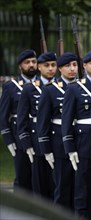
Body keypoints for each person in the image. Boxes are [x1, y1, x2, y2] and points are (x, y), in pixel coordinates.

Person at [61, 50, 91, 220]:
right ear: (84, 66)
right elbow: (67, 121)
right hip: (84, 146)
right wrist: (70, 148)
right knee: (83, 191)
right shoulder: (75, 88)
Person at [37, 52, 77, 210]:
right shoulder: (50, 90)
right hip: (59, 144)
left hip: (79, 141)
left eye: (74, 65)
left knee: (79, 186)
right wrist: (46, 149)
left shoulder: (82, 87)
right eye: (68, 66)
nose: (72, 69)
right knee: (62, 186)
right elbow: (43, 122)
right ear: (60, 69)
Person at [17, 51, 56, 199]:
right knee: (40, 185)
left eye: (53, 65)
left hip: (57, 140)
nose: (50, 69)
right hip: (37, 141)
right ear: (39, 67)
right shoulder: (30, 88)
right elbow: (22, 119)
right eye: (46, 66)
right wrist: (27, 144)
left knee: (58, 183)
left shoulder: (62, 87)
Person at [0, 49, 37, 193]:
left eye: (34, 62)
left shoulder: (43, 84)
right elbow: (3, 116)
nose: (31, 65)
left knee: (40, 177)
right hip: (18, 137)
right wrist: (9, 140)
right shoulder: (11, 86)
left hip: (39, 134)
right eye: (27, 62)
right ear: (20, 66)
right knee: (23, 177)